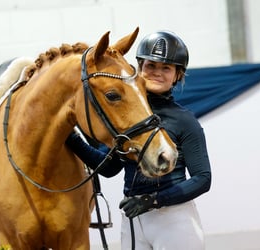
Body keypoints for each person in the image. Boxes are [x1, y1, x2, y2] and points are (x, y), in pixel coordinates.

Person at [66, 30, 211, 250]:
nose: (156, 73)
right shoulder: (127, 118)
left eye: (166, 68)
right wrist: (71, 138)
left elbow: (202, 178)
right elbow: (110, 167)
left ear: (177, 75)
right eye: (150, 65)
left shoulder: (184, 120)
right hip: (133, 219)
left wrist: (153, 199)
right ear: (140, 67)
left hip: (173, 218)